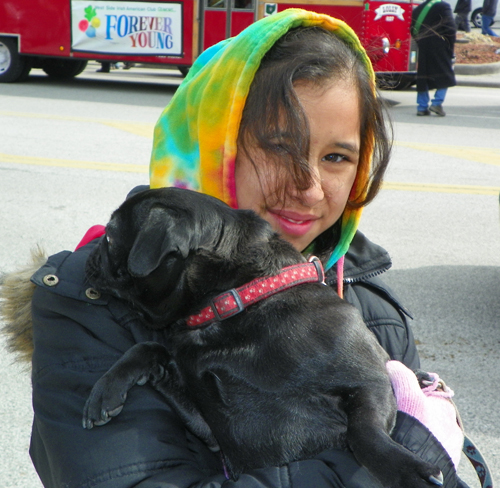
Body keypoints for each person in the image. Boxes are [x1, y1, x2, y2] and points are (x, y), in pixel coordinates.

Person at [3, 9, 466, 488]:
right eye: (278, 148)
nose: (308, 188)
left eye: (336, 157)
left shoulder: (367, 308)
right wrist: (396, 460)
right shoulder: (94, 306)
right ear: (211, 144)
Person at [411, 0, 457, 117]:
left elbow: (412, 28)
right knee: (444, 74)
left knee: (423, 76)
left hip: (423, 46)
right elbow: (450, 28)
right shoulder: (443, 6)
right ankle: (437, 103)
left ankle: (422, 107)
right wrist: (450, 47)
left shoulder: (419, 8)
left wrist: (420, 41)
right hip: (440, 46)